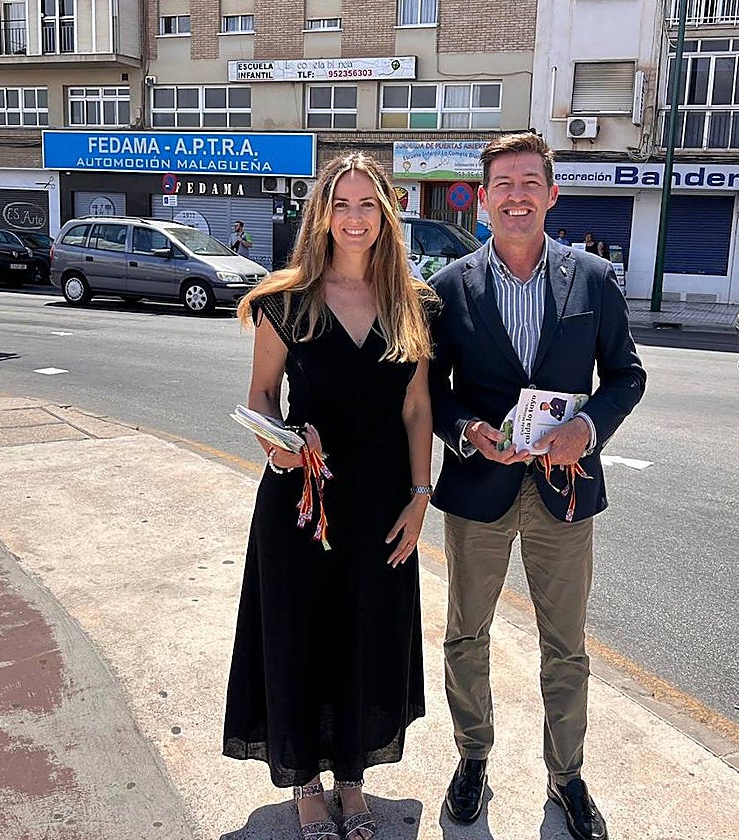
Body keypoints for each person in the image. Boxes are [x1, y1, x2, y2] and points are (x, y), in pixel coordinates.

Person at [427, 132, 646, 840]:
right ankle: (472, 760)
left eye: (530, 182)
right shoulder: (450, 285)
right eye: (503, 184)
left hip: (566, 487)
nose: (516, 195)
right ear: (483, 199)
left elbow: (626, 375)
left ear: (552, 195)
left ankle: (567, 776)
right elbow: (431, 388)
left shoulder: (592, 278)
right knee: (466, 635)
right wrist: (466, 431)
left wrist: (587, 429)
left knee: (567, 644)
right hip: (478, 489)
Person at [224, 152, 436, 840]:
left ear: (386, 215)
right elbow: (260, 395)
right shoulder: (283, 302)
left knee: (367, 636)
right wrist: (277, 445)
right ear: (320, 214)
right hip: (301, 507)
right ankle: (308, 786)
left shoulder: (414, 301)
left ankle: (353, 778)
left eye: (367, 205)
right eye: (340, 204)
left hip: (380, 505)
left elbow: (416, 408)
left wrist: (420, 495)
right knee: (300, 636)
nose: (354, 218)